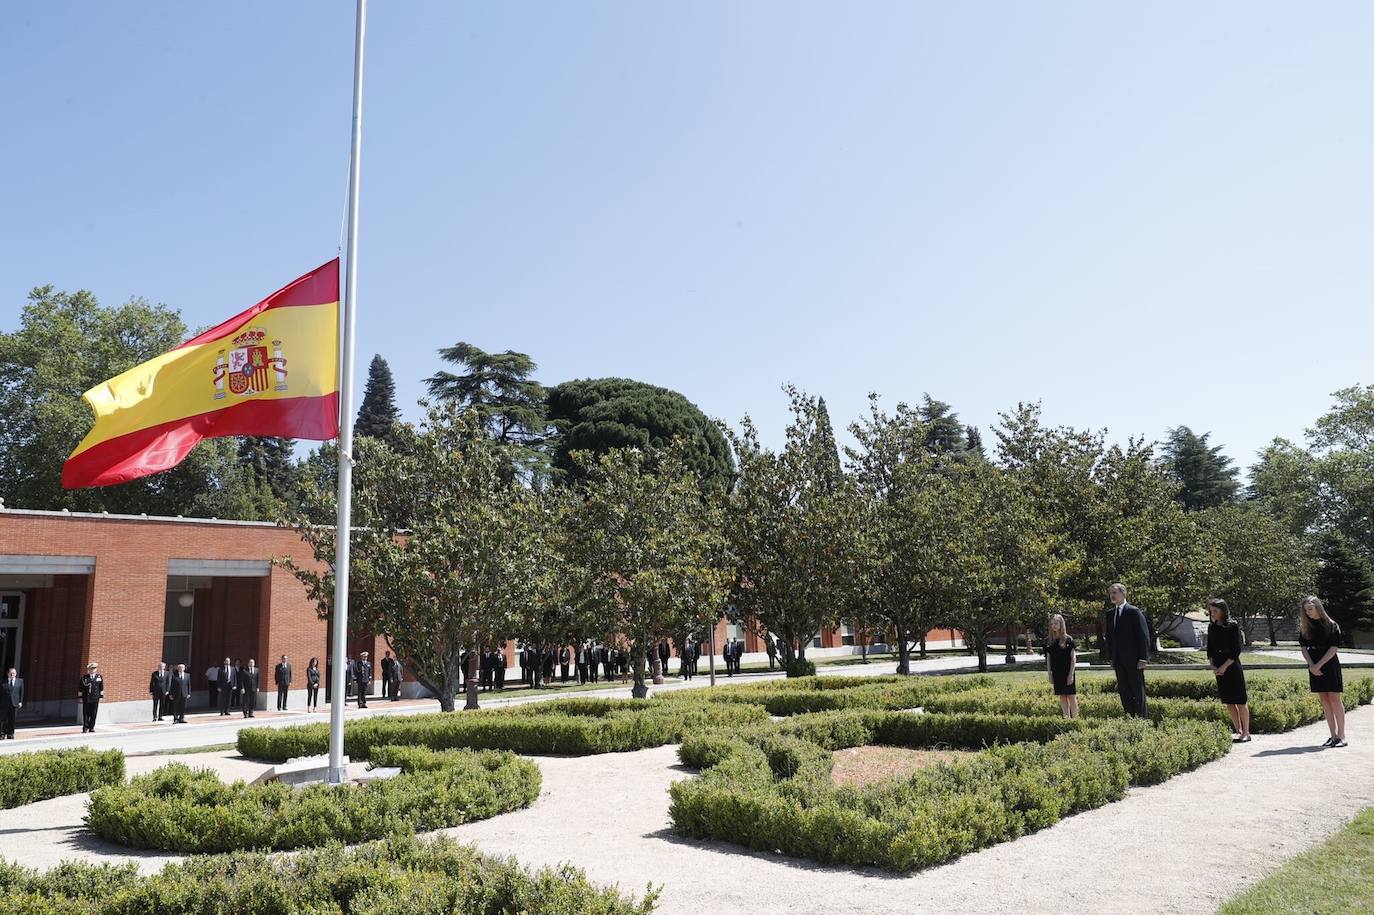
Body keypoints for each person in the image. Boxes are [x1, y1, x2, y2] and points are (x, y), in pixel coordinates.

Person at [1299, 596, 1345, 747]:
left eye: (1310, 609)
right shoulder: (1306, 627)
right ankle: (1332, 736)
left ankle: (1341, 736)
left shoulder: (1332, 625)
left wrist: (1318, 665)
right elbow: (1304, 648)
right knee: (1324, 700)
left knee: (1334, 699)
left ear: (1318, 607)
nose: (1308, 612)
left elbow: (1333, 648)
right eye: (1306, 610)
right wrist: (1312, 665)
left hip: (1329, 664)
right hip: (1314, 666)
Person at [1206, 598, 1250, 742]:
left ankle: (1246, 733)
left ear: (1223, 611)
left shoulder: (1232, 626)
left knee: (1240, 701)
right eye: (1211, 611)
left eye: (1215, 611)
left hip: (1232, 666)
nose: (1212, 614)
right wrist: (1214, 666)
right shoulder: (1211, 627)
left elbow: (1236, 650)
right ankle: (1238, 730)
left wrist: (1223, 667)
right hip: (1218, 667)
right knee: (1229, 701)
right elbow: (1210, 649)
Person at [1105, 583, 1149, 718]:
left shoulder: (1134, 612)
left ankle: (1142, 720)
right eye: (1111, 593)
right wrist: (1111, 658)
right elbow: (1110, 638)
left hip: (1134, 660)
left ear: (1123, 594)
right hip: (1118, 660)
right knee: (1124, 691)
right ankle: (1129, 718)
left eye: (1115, 592)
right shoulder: (1110, 614)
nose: (1112, 595)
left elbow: (1143, 635)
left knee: (1137, 691)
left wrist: (1143, 658)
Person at [1044, 614, 1078, 719]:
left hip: (1068, 671)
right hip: (1056, 672)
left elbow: (1073, 658)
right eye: (1052, 624)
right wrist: (1050, 674)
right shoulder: (1049, 641)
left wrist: (1071, 675)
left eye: (1056, 623)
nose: (1053, 626)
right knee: (1062, 696)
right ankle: (1066, 718)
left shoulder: (1068, 640)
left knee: (1071, 696)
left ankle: (1076, 719)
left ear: (1061, 624)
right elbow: (1048, 659)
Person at [79, 662, 104, 732]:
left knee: (93, 713)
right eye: (91, 669)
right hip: (86, 698)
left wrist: (101, 696)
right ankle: (85, 727)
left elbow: (101, 687)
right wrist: (80, 697)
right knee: (86, 713)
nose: (92, 670)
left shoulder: (99, 677)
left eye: (94, 668)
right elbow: (80, 688)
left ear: (96, 669)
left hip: (95, 697)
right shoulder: (84, 677)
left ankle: (91, 727)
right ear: (88, 669)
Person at [0, 668, 22, 739]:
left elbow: (21, 692)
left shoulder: (20, 681)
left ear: (16, 674)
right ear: (8, 674)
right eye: (11, 673)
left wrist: (20, 701)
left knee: (12, 719)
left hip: (14, 703)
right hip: (4, 704)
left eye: (14, 673)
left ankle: (10, 733)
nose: (12, 675)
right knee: (2, 719)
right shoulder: (2, 681)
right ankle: (2, 734)